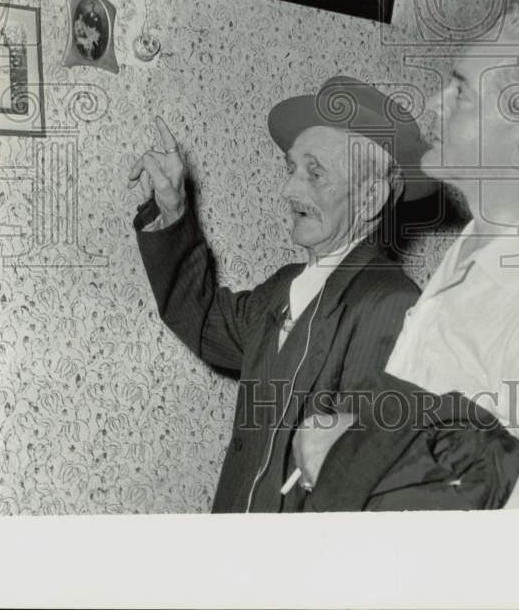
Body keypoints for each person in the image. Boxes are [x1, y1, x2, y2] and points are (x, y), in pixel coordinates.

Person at [296, 2, 519, 510]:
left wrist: (360, 455)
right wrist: (365, 438)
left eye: (461, 91)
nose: (435, 101)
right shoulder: (478, 248)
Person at [128, 76, 436, 513]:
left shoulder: (392, 303)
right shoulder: (286, 285)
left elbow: (363, 485)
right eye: (292, 168)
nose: (288, 189)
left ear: (370, 199)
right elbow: (202, 319)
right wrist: (174, 210)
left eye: (315, 172)